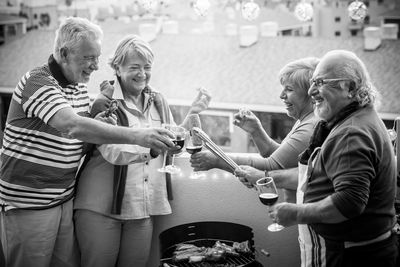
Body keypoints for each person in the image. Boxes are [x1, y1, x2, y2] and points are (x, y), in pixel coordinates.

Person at [0, 17, 176, 267]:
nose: (95, 66)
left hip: (63, 199)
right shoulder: (37, 82)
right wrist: (139, 136)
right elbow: (72, 126)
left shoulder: (78, 88)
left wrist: (101, 125)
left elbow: (78, 142)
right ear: (64, 53)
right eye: (88, 57)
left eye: (97, 57)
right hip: (29, 204)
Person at [73, 34, 211, 267]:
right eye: (134, 67)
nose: (142, 74)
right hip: (100, 208)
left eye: (147, 67)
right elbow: (112, 151)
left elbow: (170, 138)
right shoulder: (105, 103)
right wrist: (153, 149)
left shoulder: (158, 100)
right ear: (117, 67)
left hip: (142, 207)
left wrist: (193, 113)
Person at [267, 50, 398, 267]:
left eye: (320, 83)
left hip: (353, 256)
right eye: (312, 83)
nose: (311, 91)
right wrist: (276, 179)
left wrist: (296, 213)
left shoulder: (351, 133)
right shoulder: (357, 118)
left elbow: (349, 202)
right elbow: (326, 176)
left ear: (350, 87)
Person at [191, 57, 319, 201]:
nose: (281, 95)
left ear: (311, 93)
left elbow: (272, 167)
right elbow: (282, 158)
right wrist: (256, 131)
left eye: (289, 89)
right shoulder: (305, 120)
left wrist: (219, 160)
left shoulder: (310, 127)